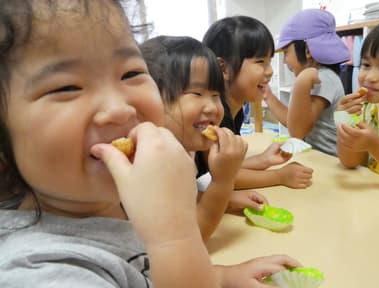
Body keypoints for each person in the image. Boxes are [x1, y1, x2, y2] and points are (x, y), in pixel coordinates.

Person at [0, 1, 301, 287]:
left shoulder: (110, 200)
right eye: (66, 87)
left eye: (130, 73)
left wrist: (219, 277)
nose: (120, 108)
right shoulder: (41, 272)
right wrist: (173, 235)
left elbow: (143, 271)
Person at [140, 35, 267, 241]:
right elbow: (190, 237)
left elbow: (181, 201)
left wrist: (226, 200)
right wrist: (223, 183)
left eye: (216, 95)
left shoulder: (180, 148)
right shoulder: (153, 161)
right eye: (196, 93)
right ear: (150, 101)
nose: (213, 107)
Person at [203, 15, 313, 190]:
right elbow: (224, 177)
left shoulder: (235, 110)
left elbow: (226, 168)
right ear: (223, 68)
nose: (269, 71)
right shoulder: (213, 113)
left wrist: (264, 160)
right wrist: (279, 176)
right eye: (260, 61)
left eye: (269, 61)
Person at [263, 9, 350, 156]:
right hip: (315, 156)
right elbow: (293, 121)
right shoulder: (315, 77)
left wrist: (300, 85)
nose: (285, 61)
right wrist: (268, 95)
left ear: (308, 50)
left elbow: (297, 130)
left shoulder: (324, 79)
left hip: (329, 160)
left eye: (286, 53)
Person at [337, 22, 379, 175]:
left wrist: (375, 145)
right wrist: (345, 121)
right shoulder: (369, 108)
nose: (370, 77)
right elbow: (350, 162)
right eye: (366, 64)